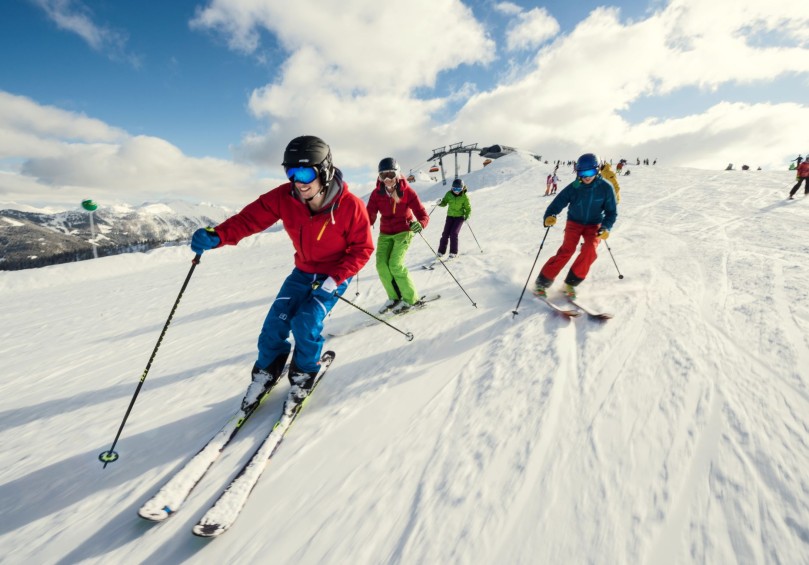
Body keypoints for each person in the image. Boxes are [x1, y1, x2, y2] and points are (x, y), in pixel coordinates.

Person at [190, 135, 373, 406]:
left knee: (306, 322)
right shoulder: (284, 197)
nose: (298, 181)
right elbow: (249, 219)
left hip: (334, 275)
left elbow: (363, 248)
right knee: (274, 324)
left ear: (324, 169)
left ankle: (304, 372)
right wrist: (217, 235)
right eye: (291, 172)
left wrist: (336, 279)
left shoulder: (350, 206)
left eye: (305, 172)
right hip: (302, 273)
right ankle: (267, 371)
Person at [534, 153, 618, 300]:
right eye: (582, 173)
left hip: (594, 224)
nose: (586, 177)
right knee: (567, 250)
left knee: (590, 250)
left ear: (597, 170)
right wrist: (550, 216)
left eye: (590, 172)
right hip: (574, 222)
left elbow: (611, 212)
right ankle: (542, 282)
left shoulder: (606, 187)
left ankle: (570, 284)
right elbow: (557, 203)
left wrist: (606, 227)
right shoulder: (574, 187)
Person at [366, 157, 430, 314]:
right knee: (382, 265)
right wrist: (361, 226)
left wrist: (420, 223)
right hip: (385, 233)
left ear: (397, 174)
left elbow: (422, 214)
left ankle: (411, 299)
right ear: (379, 177)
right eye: (383, 175)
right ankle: (394, 297)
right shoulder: (376, 194)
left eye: (391, 174)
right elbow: (370, 215)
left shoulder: (407, 192)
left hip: (403, 231)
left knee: (395, 264)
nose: (387, 179)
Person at [436, 178, 472, 260]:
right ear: (452, 188)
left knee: (454, 233)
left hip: (459, 217)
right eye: (454, 189)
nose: (456, 191)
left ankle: (453, 253)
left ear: (462, 188)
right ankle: (441, 252)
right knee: (445, 234)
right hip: (450, 216)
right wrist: (440, 203)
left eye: (458, 189)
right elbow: (444, 202)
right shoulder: (449, 194)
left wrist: (467, 216)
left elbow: (468, 208)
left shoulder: (464, 197)